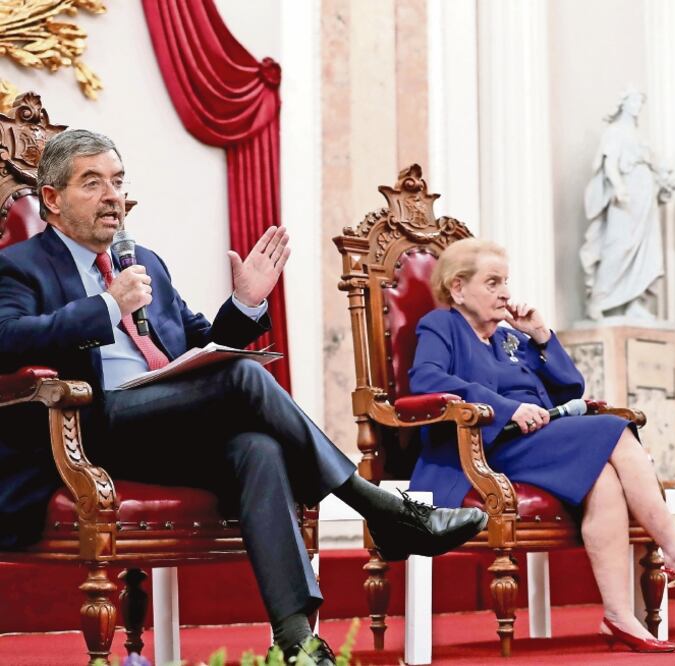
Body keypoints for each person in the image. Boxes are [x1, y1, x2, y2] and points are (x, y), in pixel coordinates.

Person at [0, 130, 487, 665]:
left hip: (160, 422)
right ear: (52, 199)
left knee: (259, 447)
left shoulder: (145, 263)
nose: (113, 195)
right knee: (246, 379)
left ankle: (297, 639)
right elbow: (8, 340)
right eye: (93, 183)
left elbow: (198, 346)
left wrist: (245, 303)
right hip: (87, 426)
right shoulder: (20, 265)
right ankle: (380, 510)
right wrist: (105, 309)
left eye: (118, 181)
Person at [407, 238, 675, 653]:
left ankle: (619, 617)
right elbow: (426, 381)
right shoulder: (441, 325)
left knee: (604, 480)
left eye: (506, 282)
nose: (505, 292)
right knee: (612, 429)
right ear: (458, 289)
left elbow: (570, 386)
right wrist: (506, 408)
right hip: (481, 447)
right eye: (493, 282)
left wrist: (541, 336)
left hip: (536, 442)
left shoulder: (508, 339)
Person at [580, 89, 675, 321]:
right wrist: (619, 186)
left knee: (646, 248)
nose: (638, 105)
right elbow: (610, 163)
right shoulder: (614, 133)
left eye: (641, 101)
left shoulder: (640, 136)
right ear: (622, 102)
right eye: (634, 100)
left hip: (645, 196)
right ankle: (599, 299)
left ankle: (634, 302)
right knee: (619, 246)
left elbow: (656, 164)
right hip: (625, 196)